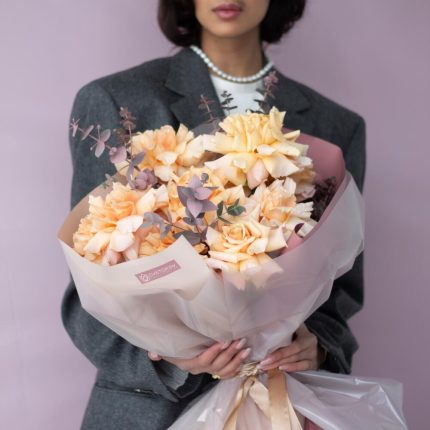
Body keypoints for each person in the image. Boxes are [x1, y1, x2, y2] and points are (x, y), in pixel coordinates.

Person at [62, 0, 366, 428]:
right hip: (150, 413)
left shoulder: (336, 125)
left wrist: (316, 347)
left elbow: (341, 291)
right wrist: (171, 359)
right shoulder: (117, 100)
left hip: (280, 404)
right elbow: (88, 293)